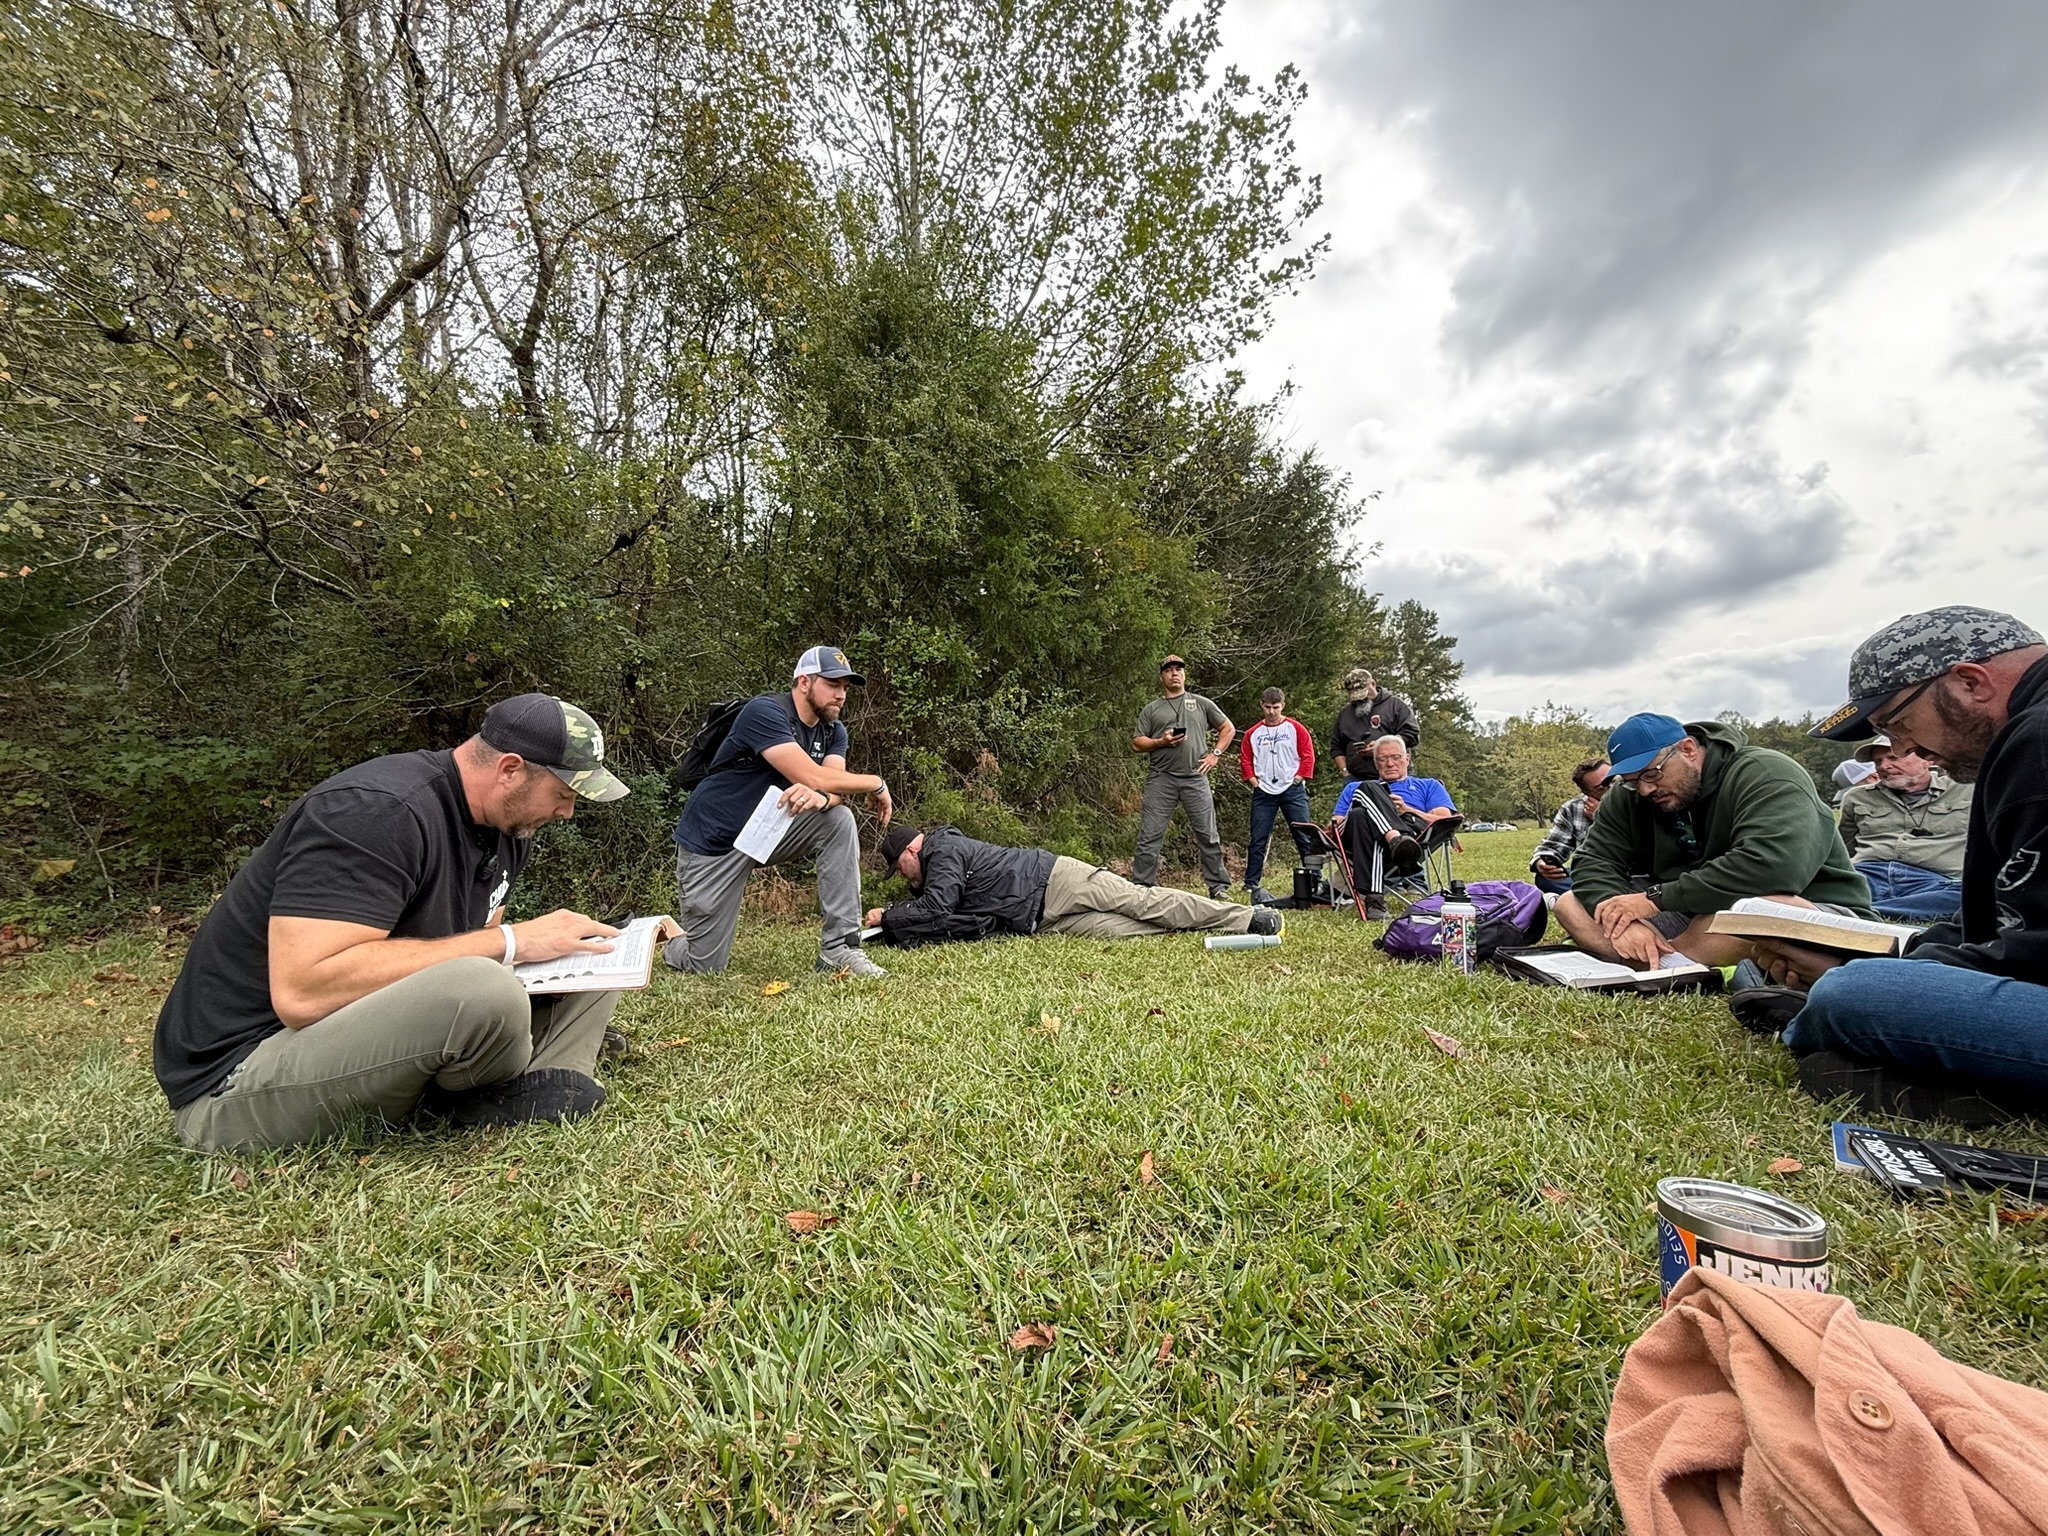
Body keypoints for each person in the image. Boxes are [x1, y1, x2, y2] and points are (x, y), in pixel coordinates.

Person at [152, 693, 634, 1152]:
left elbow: (463, 945)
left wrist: (535, 953)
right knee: (483, 986)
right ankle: (517, 1069)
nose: (568, 811)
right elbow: (303, 992)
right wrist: (511, 942)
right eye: (564, 793)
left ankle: (548, 1078)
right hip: (242, 1077)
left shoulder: (507, 827)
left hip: (361, 1031)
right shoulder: (376, 810)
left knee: (597, 949)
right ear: (510, 769)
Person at [1750, 606, 2048, 1123]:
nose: (1905, 748)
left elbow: (2034, 958)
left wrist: (1869, 972)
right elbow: (2003, 916)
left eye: (1899, 723)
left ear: (1970, 682)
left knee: (1856, 994)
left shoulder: (2037, 742)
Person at [1554, 712, 1872, 969]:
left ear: (1689, 749)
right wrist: (1622, 922)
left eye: (1652, 774)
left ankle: (1662, 963)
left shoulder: (1766, 772)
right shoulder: (1630, 796)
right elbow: (1593, 862)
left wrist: (1653, 899)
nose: (1646, 790)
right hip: (1691, 911)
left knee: (1761, 912)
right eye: (1634, 781)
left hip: (1799, 904)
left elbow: (1773, 868)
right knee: (1571, 904)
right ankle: (1673, 961)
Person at [665, 646, 894, 978]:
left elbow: (833, 790)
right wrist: (875, 782)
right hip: (715, 843)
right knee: (705, 966)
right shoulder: (765, 712)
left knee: (838, 820)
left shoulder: (833, 731)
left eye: (845, 687)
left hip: (768, 832)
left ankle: (839, 950)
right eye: (832, 684)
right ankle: (667, 936)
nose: (841, 695)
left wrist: (822, 800)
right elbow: (815, 777)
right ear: (804, 682)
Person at [867, 824, 1280, 944]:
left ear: (910, 851)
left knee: (1143, 902)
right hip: (1040, 919)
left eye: (900, 869)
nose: (904, 877)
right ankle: (1202, 928)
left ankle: (1247, 919)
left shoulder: (942, 851)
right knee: (1136, 930)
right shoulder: (935, 862)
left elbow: (939, 906)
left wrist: (888, 916)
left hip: (1057, 879)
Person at [1836, 734, 1971, 922]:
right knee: (1817, 888)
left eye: (1893, 757)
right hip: (1869, 875)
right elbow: (1843, 849)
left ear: (1926, 760)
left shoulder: (1966, 789)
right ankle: (1902, 907)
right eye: (1877, 762)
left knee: (1973, 896)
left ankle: (1864, 912)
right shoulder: (1856, 797)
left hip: (1934, 881)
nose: (1884, 766)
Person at [1131, 655, 1235, 898]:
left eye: (1178, 669)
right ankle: (1141, 888)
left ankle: (1218, 887)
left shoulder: (1201, 703)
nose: (1174, 673)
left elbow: (1227, 728)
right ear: (1162, 677)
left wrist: (1215, 754)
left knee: (1208, 835)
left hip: (1195, 777)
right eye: (1168, 670)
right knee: (1150, 834)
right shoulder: (1151, 709)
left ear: (1184, 675)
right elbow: (1137, 743)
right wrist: (1161, 741)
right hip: (1161, 778)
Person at [1330, 739, 1457, 920]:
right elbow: (1336, 824)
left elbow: (1445, 819)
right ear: (1375, 763)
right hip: (1360, 839)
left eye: (1395, 757)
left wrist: (1407, 810)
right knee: (1362, 803)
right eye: (1382, 759)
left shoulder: (1429, 785)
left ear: (1407, 758)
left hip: (1412, 837)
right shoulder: (1353, 787)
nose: (1389, 763)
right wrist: (1372, 806)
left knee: (1362, 815)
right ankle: (1395, 839)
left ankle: (1374, 899)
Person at [1238, 686, 1317, 906]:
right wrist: (1253, 781)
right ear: (1261, 705)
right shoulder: (1253, 733)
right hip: (1264, 791)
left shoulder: (1296, 728)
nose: (1272, 711)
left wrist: (1300, 777)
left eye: (1276, 707)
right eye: (1267, 707)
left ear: (1283, 705)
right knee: (1258, 838)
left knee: (1304, 835)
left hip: (1292, 789)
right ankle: (1251, 882)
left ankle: (1315, 879)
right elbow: (1245, 759)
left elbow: (1307, 755)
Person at [1529, 756, 1612, 895]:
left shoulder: (1638, 796)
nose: (1613, 788)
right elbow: (1552, 845)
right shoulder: (1573, 808)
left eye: (1615, 780)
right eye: (1602, 788)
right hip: (1593, 874)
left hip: (1633, 874)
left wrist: (1603, 817)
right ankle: (1597, 894)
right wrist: (1541, 862)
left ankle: (1585, 896)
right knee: (1545, 879)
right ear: (1587, 793)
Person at [1329, 668, 1419, 783]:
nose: (1361, 698)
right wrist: (1345, 772)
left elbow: (1412, 734)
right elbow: (1336, 747)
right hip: (1357, 779)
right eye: (1356, 696)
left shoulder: (1395, 706)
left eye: (1364, 693)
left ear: (1373, 683)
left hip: (1396, 777)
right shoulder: (1345, 714)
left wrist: (1381, 746)